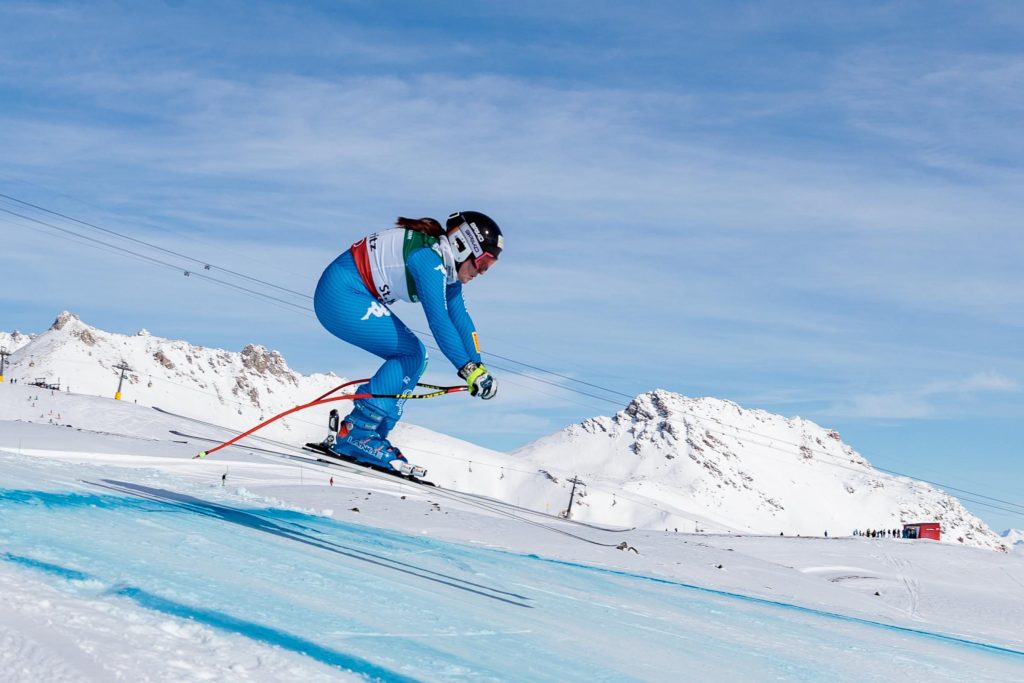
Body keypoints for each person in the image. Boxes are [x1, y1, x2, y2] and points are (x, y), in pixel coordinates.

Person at [313, 212, 503, 472]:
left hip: (347, 294)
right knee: (412, 354)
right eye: (482, 264)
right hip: (340, 295)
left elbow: (461, 320)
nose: (481, 273)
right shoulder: (428, 260)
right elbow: (438, 321)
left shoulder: (445, 267)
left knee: (415, 356)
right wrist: (468, 370)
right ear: (461, 246)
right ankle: (357, 433)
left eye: (488, 268)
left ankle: (372, 437)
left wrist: (478, 367)